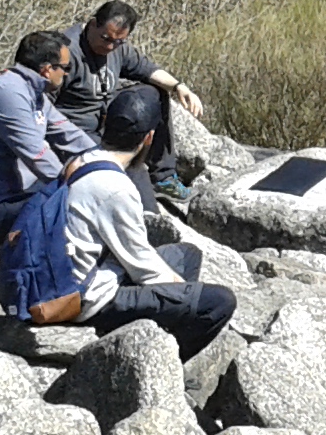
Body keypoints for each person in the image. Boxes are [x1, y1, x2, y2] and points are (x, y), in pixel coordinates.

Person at [60, 88, 238, 357]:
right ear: (149, 138)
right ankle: (160, 360)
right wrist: (179, 288)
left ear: (106, 123)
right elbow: (141, 265)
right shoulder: (116, 187)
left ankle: (156, 329)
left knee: (187, 254)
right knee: (219, 302)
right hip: (90, 298)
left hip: (77, 272)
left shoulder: (81, 160)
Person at [0, 31, 101, 246]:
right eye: (66, 68)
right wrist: (82, 185)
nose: (67, 74)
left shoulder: (32, 93)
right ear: (47, 69)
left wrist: (106, 162)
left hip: (13, 196)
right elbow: (38, 156)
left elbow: (68, 133)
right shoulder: (8, 93)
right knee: (80, 203)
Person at [51, 1, 207, 205]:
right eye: (105, 38)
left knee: (157, 94)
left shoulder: (118, 48)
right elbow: (43, 106)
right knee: (134, 185)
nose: (109, 46)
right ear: (92, 24)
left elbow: (146, 69)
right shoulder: (66, 52)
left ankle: (164, 178)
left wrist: (179, 87)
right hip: (77, 132)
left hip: (108, 122)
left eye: (117, 42)